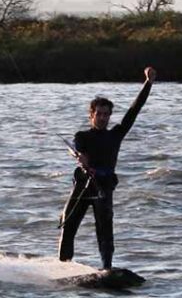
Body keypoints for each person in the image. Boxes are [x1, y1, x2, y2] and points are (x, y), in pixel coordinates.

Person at [58, 66, 156, 270]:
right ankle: (63, 267)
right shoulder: (82, 136)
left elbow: (134, 110)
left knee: (105, 231)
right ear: (91, 115)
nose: (103, 118)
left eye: (106, 114)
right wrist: (82, 157)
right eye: (99, 114)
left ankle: (107, 269)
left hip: (103, 188)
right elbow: (78, 149)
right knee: (67, 225)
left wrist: (148, 84)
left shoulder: (116, 135)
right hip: (83, 187)